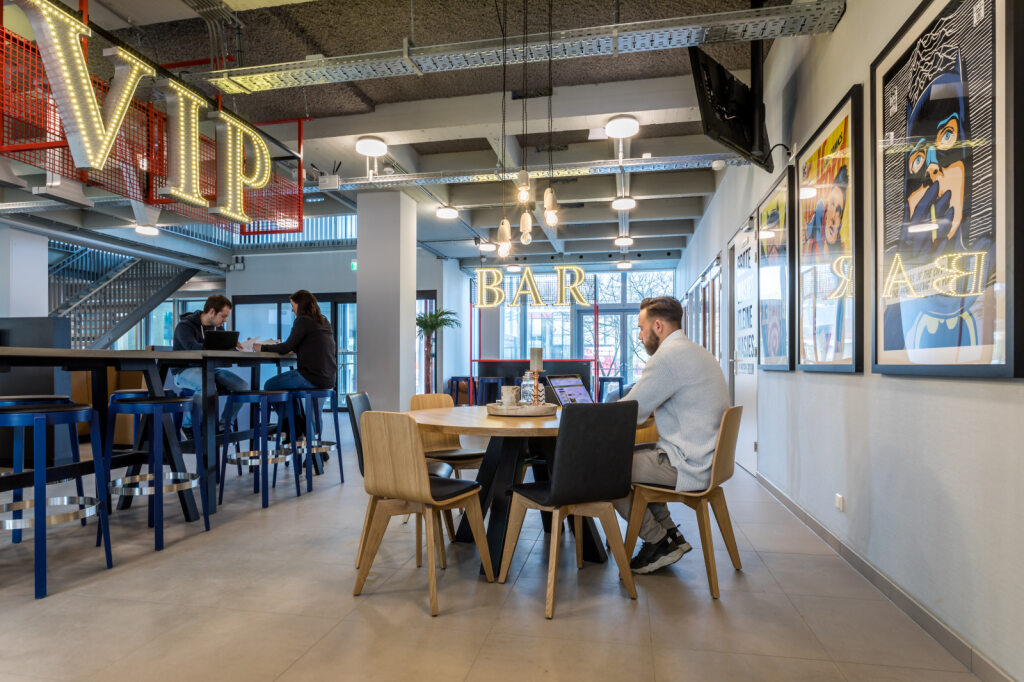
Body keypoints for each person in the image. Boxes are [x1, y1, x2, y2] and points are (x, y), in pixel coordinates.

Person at [613, 296, 729, 574]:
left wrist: (589, 415)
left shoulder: (667, 358)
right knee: (633, 454)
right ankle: (670, 534)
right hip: (705, 459)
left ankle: (657, 542)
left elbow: (629, 412)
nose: (639, 336)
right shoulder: (697, 351)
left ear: (658, 326)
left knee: (602, 467)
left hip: (688, 464)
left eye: (641, 328)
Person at [255, 290, 337, 442]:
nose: (292, 310)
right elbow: (312, 344)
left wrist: (262, 347)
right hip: (328, 379)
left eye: (293, 305)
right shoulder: (323, 321)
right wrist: (296, 347)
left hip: (310, 376)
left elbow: (286, 347)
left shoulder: (302, 320)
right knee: (296, 397)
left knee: (269, 385)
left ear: (300, 305)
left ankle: (292, 425)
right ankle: (312, 444)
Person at [171, 294, 250, 434]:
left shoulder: (218, 329)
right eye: (223, 316)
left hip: (209, 369)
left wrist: (235, 347)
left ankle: (224, 427)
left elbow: (221, 351)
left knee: (242, 386)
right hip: (184, 371)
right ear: (212, 311)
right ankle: (189, 426)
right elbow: (192, 348)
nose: (225, 320)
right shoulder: (184, 326)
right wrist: (220, 346)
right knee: (207, 386)